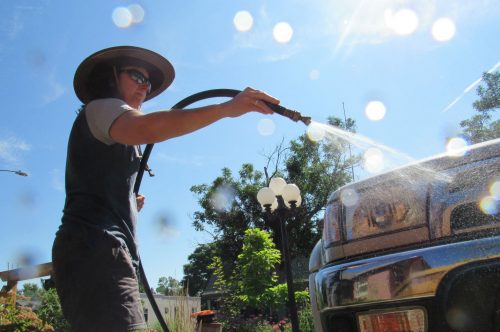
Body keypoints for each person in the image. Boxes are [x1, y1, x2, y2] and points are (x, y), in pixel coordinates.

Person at [51, 45, 279, 331]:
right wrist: (226, 109)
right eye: (136, 75)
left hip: (99, 249)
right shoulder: (101, 107)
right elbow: (148, 127)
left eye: (148, 81)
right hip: (94, 246)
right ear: (111, 77)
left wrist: (130, 203)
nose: (145, 86)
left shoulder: (114, 129)